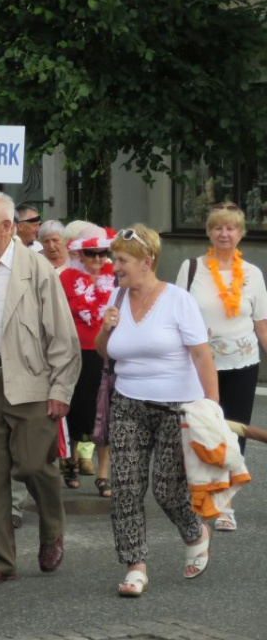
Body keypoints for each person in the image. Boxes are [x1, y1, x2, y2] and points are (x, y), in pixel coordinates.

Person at [0, 190, 80, 585]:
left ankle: (52, 529)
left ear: (7, 227)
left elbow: (62, 334)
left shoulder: (35, 268)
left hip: (30, 382)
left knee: (33, 465)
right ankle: (0, 558)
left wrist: (61, 389)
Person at [96, 224, 219, 597]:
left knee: (167, 489)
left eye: (121, 259)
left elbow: (201, 354)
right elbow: (107, 353)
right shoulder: (116, 299)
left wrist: (211, 407)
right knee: (127, 488)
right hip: (128, 404)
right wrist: (104, 330)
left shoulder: (178, 300)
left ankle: (195, 532)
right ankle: (135, 567)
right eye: (113, 258)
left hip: (175, 406)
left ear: (146, 261)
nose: (114, 265)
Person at [176, 203, 267, 532]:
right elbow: (179, 319)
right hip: (201, 365)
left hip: (243, 363)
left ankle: (224, 504)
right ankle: (200, 493)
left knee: (235, 434)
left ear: (241, 234)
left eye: (231, 228)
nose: (224, 233)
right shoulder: (190, 269)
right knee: (202, 430)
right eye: (218, 228)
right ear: (209, 233)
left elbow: (262, 327)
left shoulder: (253, 275)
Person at [59, 227, 116, 496]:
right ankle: (70, 459)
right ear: (79, 253)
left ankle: (103, 472)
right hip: (74, 351)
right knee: (73, 407)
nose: (97, 259)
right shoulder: (67, 277)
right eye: (91, 254)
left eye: (102, 253)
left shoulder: (114, 277)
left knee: (104, 410)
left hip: (105, 352)